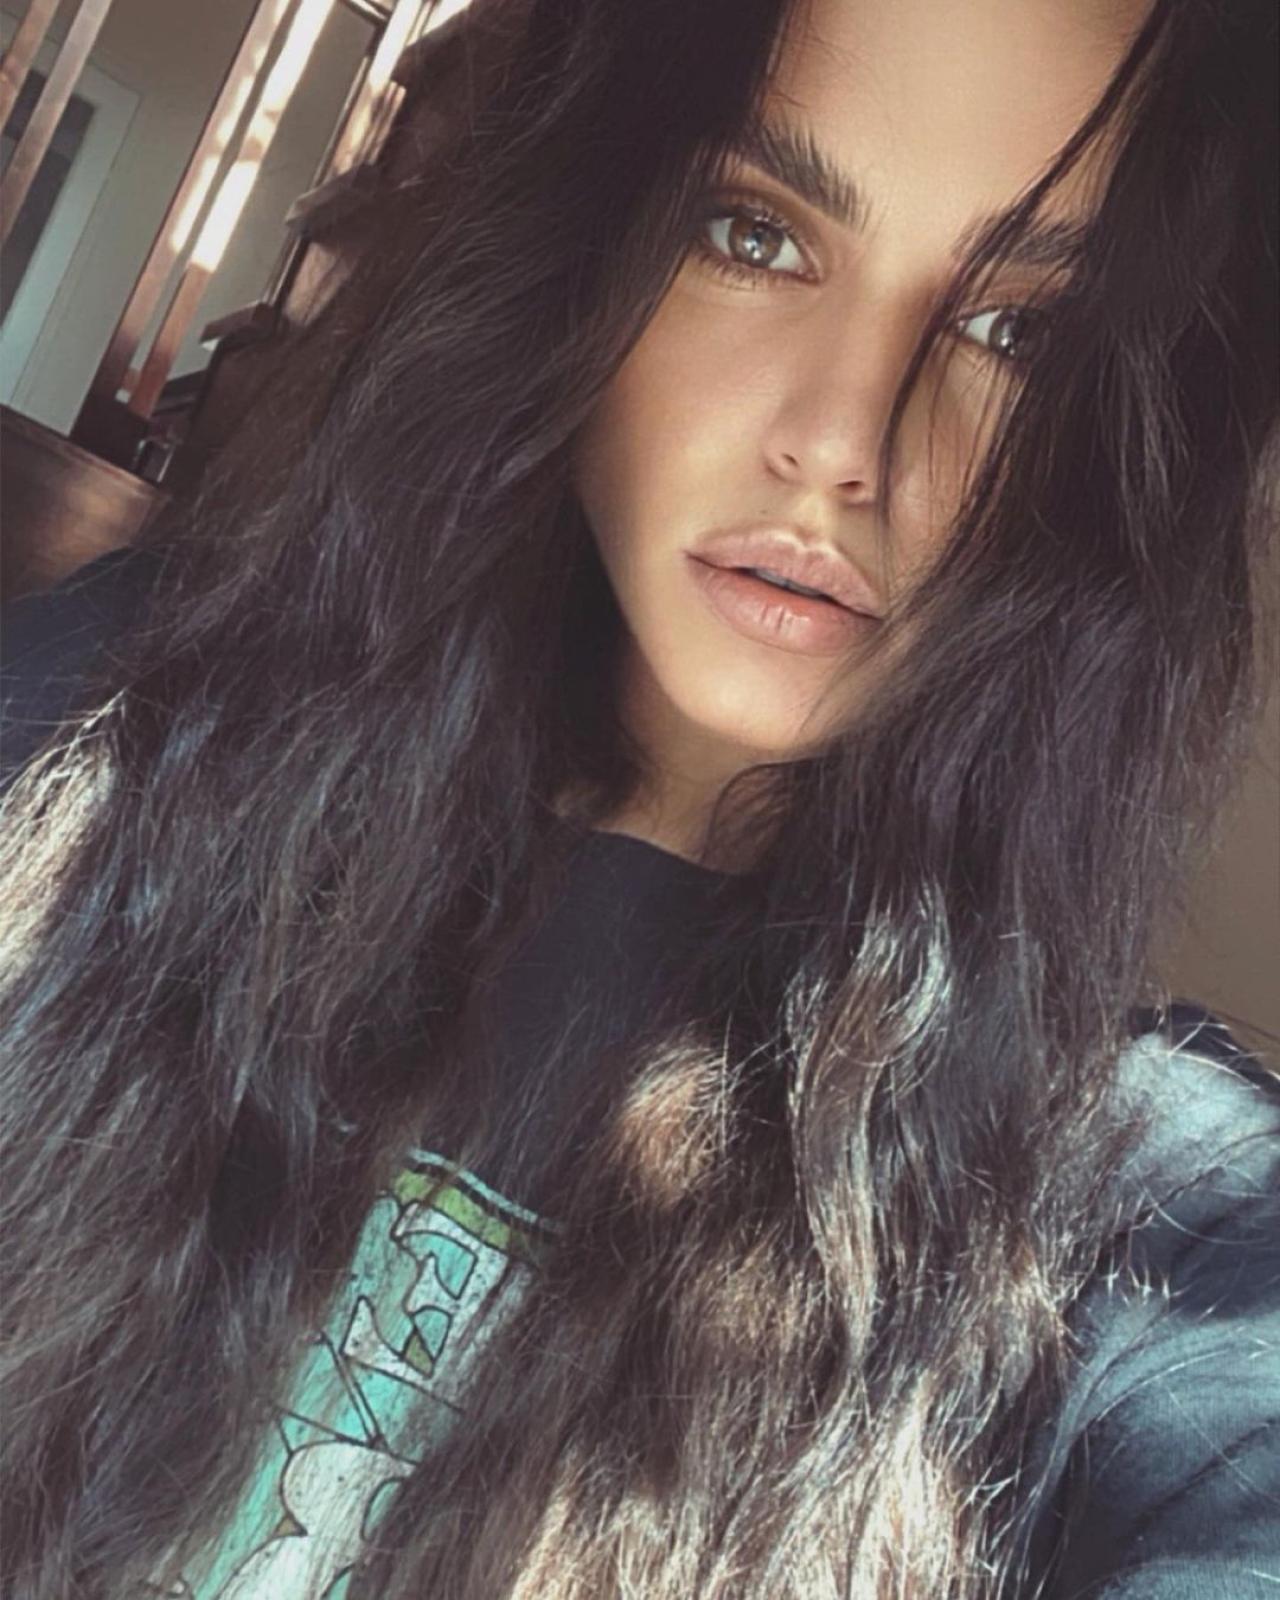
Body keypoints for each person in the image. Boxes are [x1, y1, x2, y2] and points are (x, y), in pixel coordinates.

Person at [1, 0, 1277, 1595]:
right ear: (580, 245)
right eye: (755, 233)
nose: (839, 443)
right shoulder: (104, 734)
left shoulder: (1161, 1222)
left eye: (1018, 336)